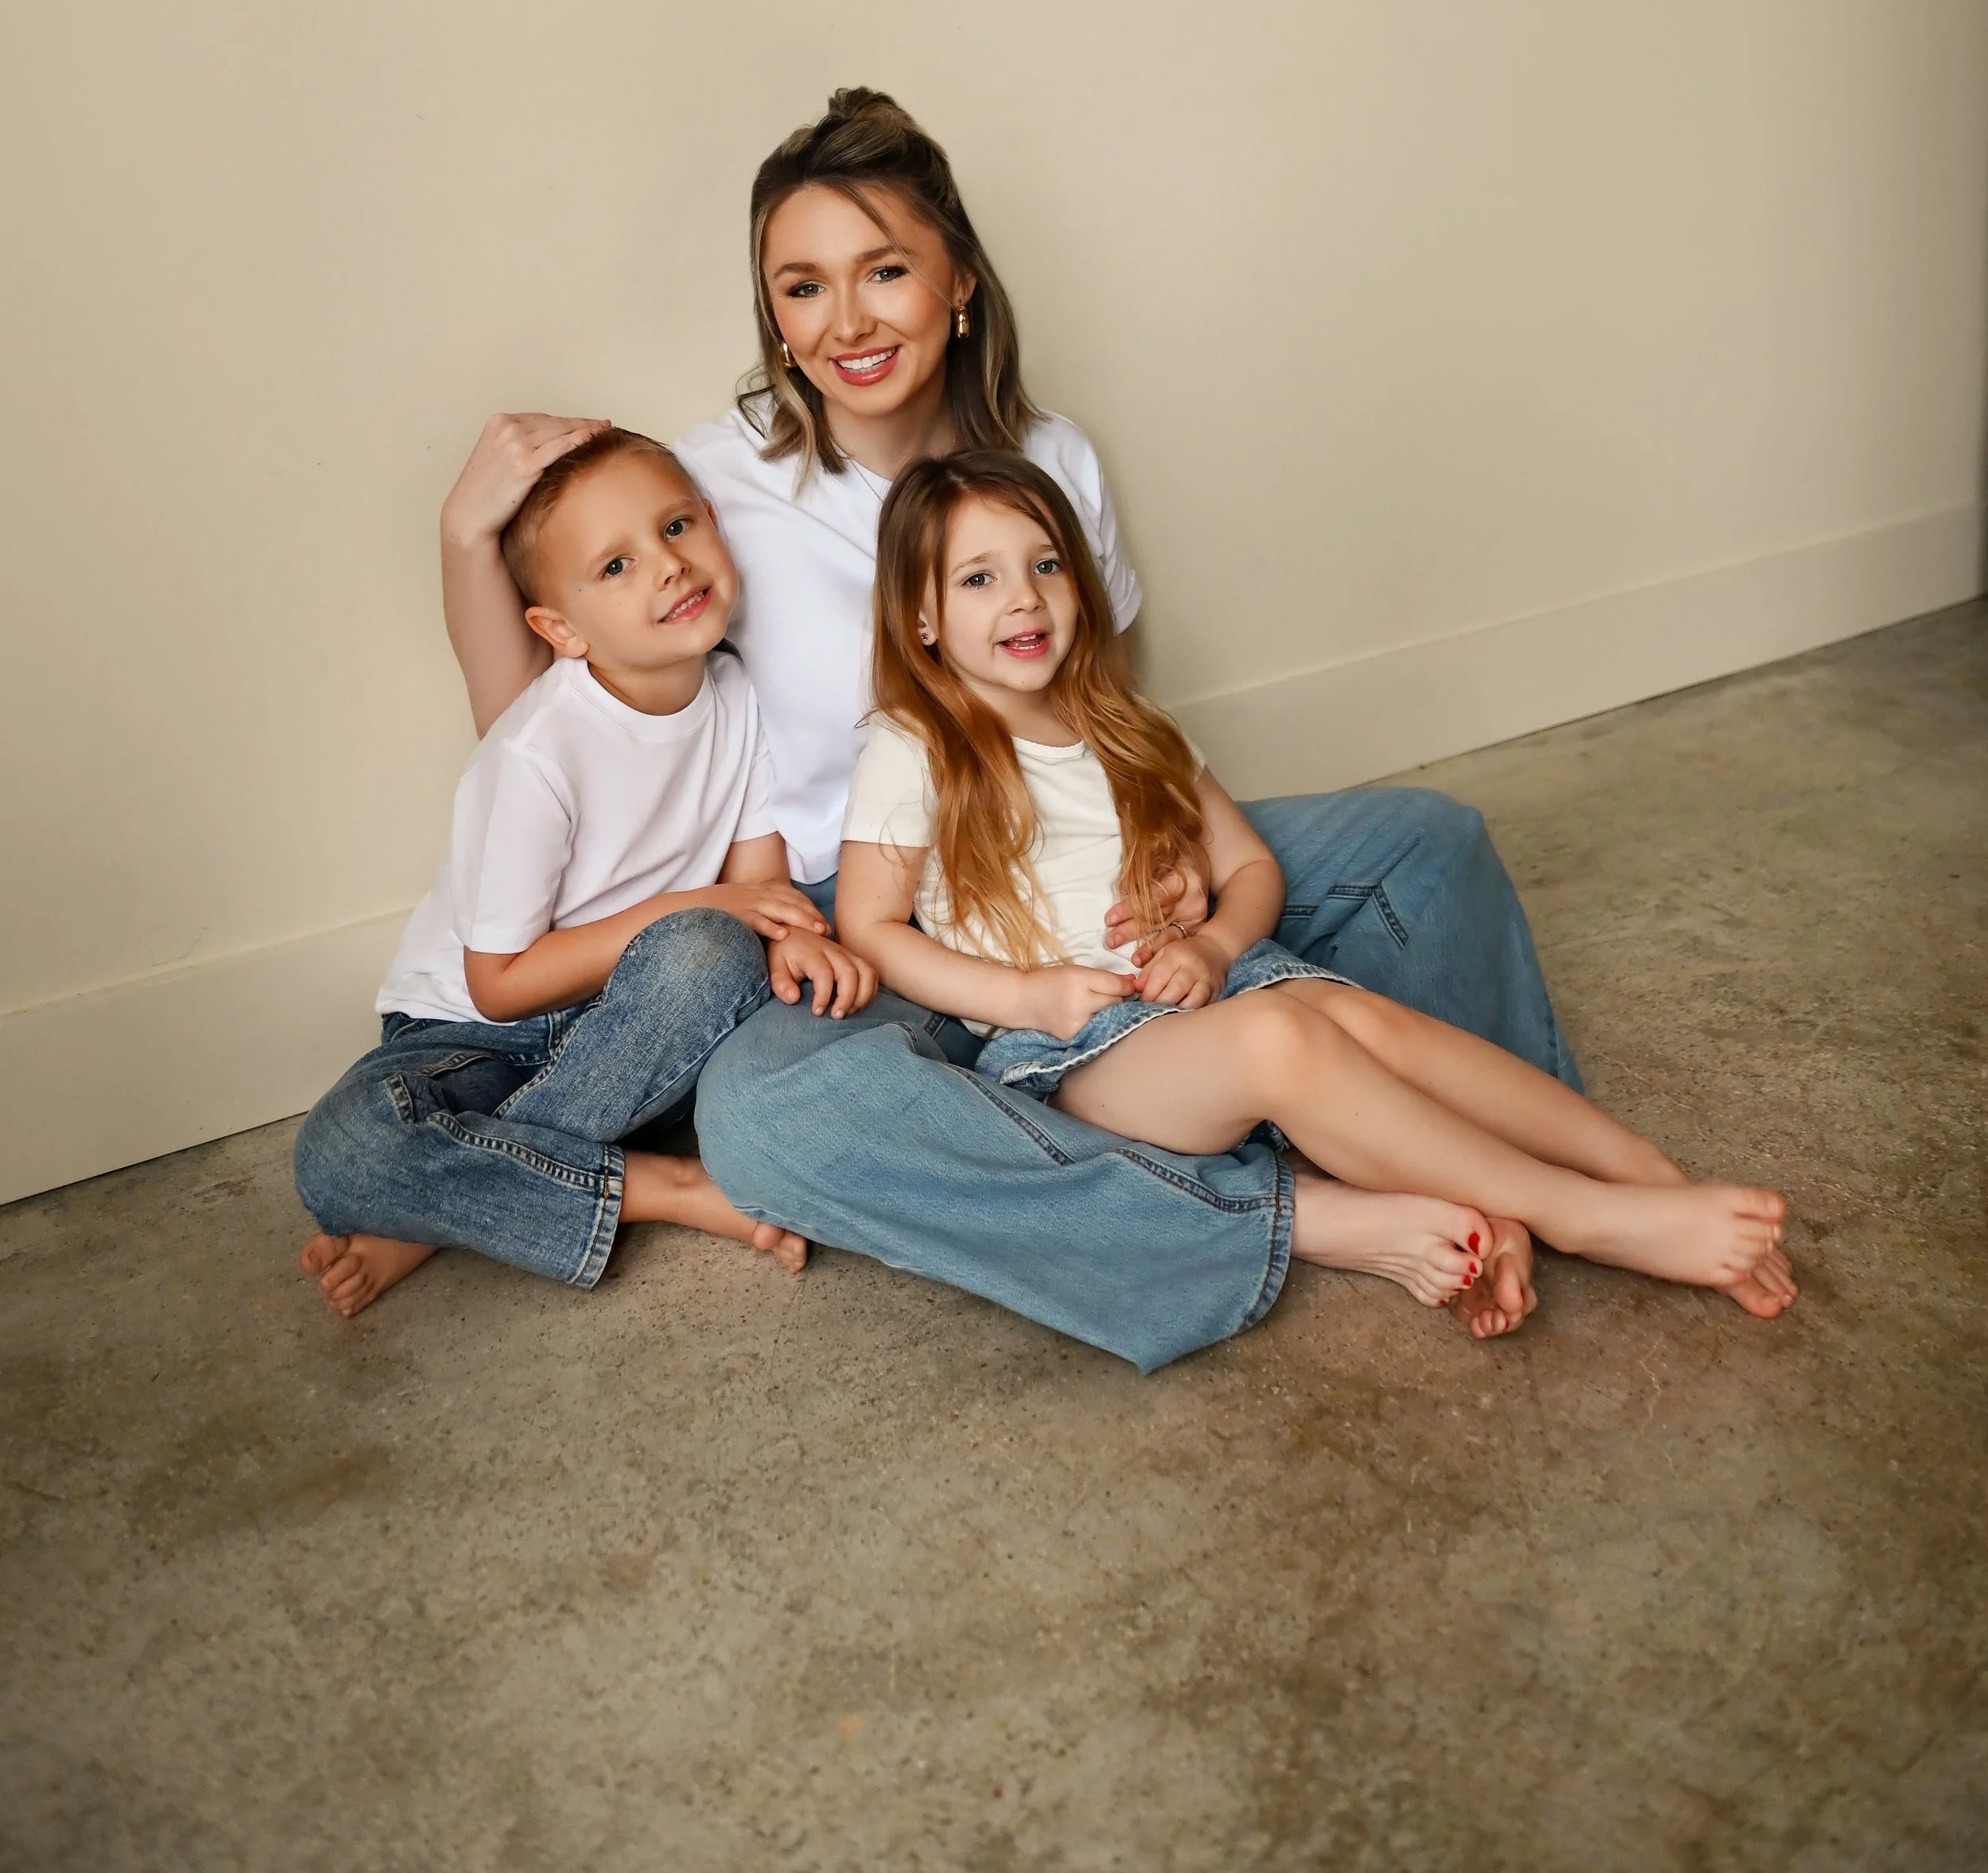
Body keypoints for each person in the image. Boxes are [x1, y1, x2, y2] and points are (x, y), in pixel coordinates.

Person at [437, 90, 1582, 1371]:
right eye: (802, 288)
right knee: (767, 1121)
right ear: (773, 317)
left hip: (1076, 885)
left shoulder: (1053, 458)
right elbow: (552, 726)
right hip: (866, 924)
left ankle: (1499, 1167)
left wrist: (1166, 854)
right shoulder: (712, 487)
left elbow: (1106, 703)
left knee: (1424, 844)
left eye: (886, 270)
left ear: (961, 283)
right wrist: (465, 541)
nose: (849, 320)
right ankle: (1293, 1211)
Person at [836, 449, 1797, 1334]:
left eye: (1045, 565)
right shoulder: (916, 743)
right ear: (921, 617)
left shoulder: (1124, 724)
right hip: (1072, 1054)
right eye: (978, 578)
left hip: (1213, 991)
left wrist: (1213, 947)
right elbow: (868, 924)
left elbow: (1251, 867)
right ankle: (1586, 1217)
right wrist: (1024, 996)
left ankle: (1643, 1172)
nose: (1025, 599)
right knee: (1284, 1038)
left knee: (1371, 1024)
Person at [295, 430, 872, 1317]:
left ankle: (455, 1206)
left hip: (629, 1017)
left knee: (714, 952)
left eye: (678, 526)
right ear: (558, 629)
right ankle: (663, 1186)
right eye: (615, 566)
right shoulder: (538, 751)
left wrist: (790, 941)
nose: (668, 568)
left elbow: (757, 891)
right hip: (471, 1033)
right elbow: (499, 983)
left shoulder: (738, 696)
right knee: (342, 1154)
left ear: (714, 524)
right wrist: (704, 900)